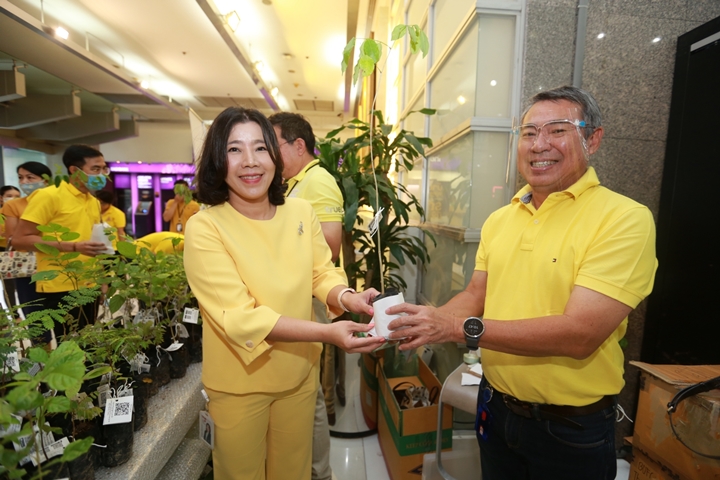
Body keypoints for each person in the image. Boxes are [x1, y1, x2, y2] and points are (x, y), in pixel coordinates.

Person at [383, 86, 658, 480]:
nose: (539, 144)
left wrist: (456, 328)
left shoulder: (623, 219)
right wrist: (425, 322)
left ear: (593, 139)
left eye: (557, 130)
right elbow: (475, 294)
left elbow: (580, 334)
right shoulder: (500, 220)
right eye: (529, 133)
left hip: (569, 428)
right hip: (495, 409)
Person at [183, 106, 385, 480]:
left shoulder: (300, 211)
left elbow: (321, 271)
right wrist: (327, 333)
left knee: (294, 472)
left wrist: (346, 297)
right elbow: (241, 318)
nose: (250, 161)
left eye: (260, 147)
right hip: (240, 387)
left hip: (298, 376)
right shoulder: (205, 227)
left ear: (275, 156)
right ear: (217, 159)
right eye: (234, 149)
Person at [269, 112, 343, 480]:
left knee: (308, 390)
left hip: (309, 299)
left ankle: (318, 472)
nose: (268, 155)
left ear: (299, 145)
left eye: (273, 146)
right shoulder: (294, 183)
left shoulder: (319, 182)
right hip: (292, 299)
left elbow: (329, 248)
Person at [13, 145, 110, 341]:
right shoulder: (49, 195)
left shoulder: (92, 201)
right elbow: (20, 239)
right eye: (95, 169)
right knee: (69, 344)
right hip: (60, 283)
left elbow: (94, 244)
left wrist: (103, 280)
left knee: (88, 343)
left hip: (89, 281)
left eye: (104, 169)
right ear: (74, 170)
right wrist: (73, 247)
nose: (102, 174)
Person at [0, 162, 52, 307]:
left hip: (56, 261)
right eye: (20, 177)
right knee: (33, 310)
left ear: (45, 180)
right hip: (27, 265)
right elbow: (13, 237)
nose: (24, 182)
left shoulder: (58, 202)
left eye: (30, 177)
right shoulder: (13, 205)